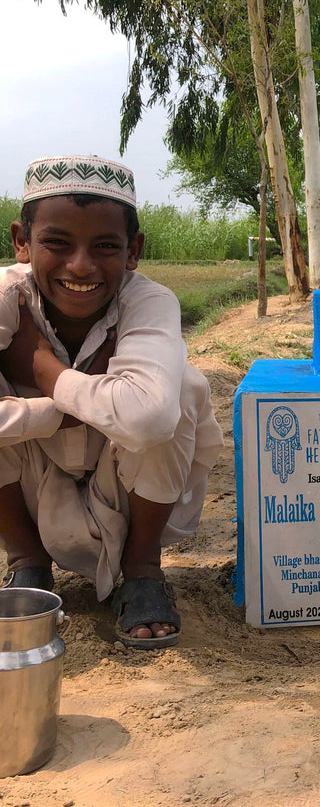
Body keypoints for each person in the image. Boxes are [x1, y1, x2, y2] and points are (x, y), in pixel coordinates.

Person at [0, 155, 224, 650]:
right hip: (35, 478)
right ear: (21, 241)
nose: (80, 266)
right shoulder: (5, 298)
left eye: (104, 247)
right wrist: (61, 414)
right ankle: (26, 561)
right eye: (56, 244)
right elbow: (128, 411)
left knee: (181, 390)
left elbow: (147, 420)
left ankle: (142, 567)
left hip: (122, 478)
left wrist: (41, 369)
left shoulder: (148, 301)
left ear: (133, 250)